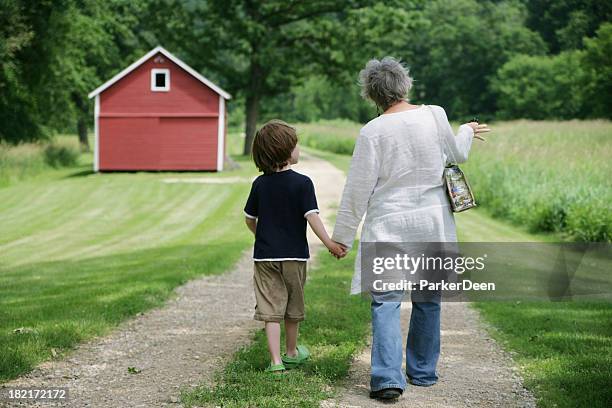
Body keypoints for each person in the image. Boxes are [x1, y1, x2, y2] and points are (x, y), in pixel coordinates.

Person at [330, 57, 491, 400]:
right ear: (405, 84)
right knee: (429, 299)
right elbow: (458, 154)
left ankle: (388, 378)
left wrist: (341, 237)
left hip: (389, 223)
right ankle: (422, 372)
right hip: (432, 221)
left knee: (386, 301)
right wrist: (467, 130)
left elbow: (357, 190)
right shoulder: (435, 114)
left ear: (372, 95)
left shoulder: (371, 131)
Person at [244, 119, 347, 374]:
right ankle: (291, 353)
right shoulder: (302, 183)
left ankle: (275, 362)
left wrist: (262, 236)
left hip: (265, 257)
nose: (299, 149)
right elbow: (312, 218)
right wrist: (331, 244)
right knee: (292, 306)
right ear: (287, 151)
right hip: (294, 257)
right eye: (296, 145)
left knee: (270, 309)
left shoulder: (259, 184)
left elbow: (249, 219)